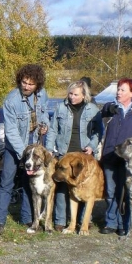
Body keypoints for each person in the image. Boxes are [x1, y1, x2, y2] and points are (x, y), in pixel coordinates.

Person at [0, 64, 49, 235]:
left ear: (37, 85)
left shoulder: (42, 94)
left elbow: (44, 112)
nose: (26, 86)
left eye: (31, 84)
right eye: (24, 82)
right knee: (6, 182)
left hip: (34, 143)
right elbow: (11, 131)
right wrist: (25, 154)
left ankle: (27, 218)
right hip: (15, 147)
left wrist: (44, 124)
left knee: (29, 183)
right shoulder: (11, 100)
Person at [45, 80, 102, 231]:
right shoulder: (60, 108)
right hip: (65, 153)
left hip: (84, 156)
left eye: (76, 94)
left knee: (86, 188)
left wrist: (92, 146)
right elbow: (52, 130)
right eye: (70, 93)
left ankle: (85, 220)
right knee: (63, 188)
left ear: (84, 95)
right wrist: (49, 148)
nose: (72, 97)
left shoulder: (93, 110)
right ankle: (60, 220)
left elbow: (98, 132)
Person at [99, 78, 132, 236]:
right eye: (118, 89)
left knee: (126, 192)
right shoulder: (111, 108)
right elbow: (103, 112)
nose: (118, 92)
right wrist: (110, 108)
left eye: (122, 90)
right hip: (109, 155)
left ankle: (124, 224)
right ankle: (111, 222)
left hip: (128, 160)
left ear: (131, 93)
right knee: (110, 191)